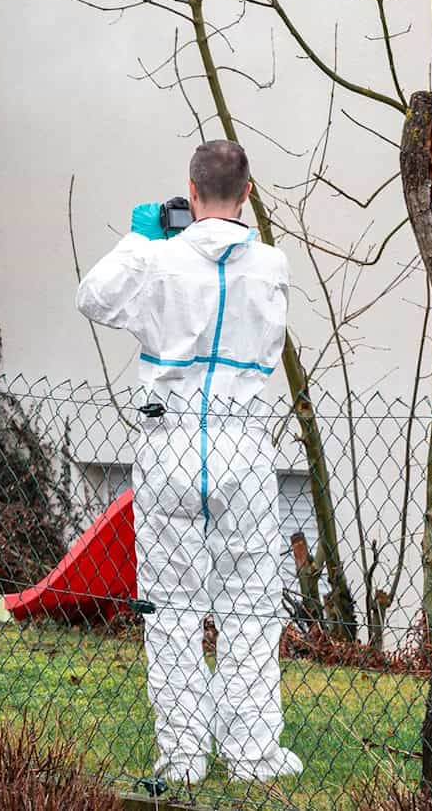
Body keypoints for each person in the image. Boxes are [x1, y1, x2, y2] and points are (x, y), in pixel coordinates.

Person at [76, 140, 302, 785]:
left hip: (169, 442)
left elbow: (92, 298)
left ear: (190, 192)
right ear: (249, 193)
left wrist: (138, 239)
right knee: (251, 603)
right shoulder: (272, 264)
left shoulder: (158, 259)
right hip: (242, 443)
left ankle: (182, 755)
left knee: (170, 607)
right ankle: (253, 751)